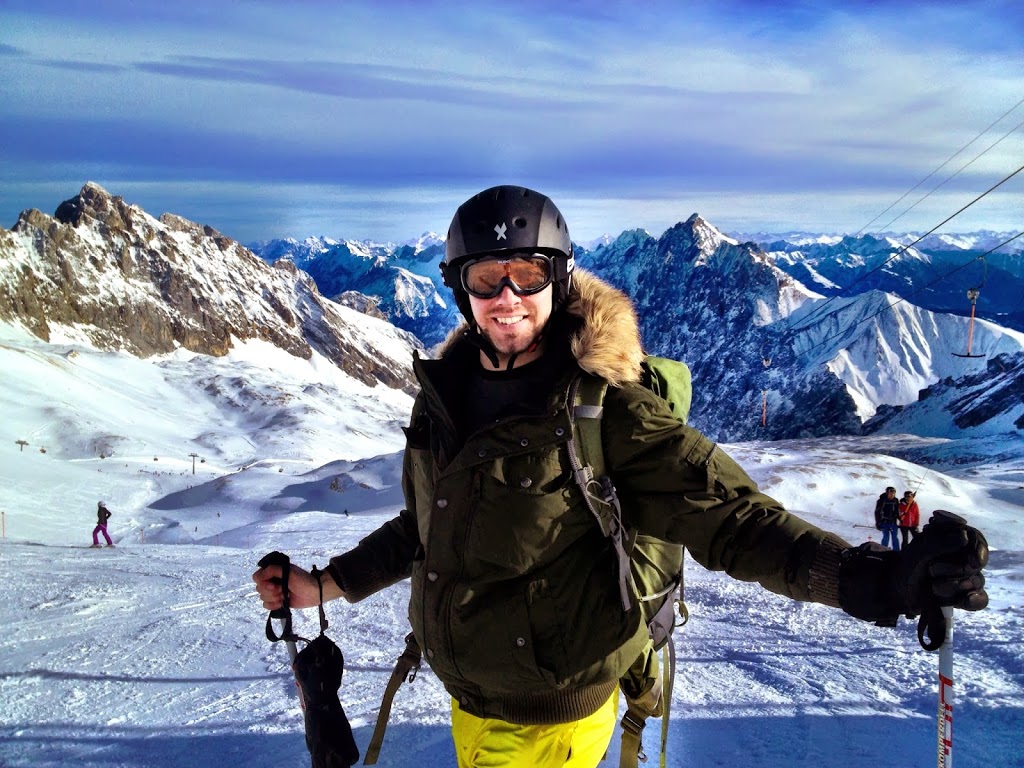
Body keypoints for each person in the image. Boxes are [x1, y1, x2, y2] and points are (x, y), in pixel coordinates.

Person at [253, 185, 989, 768]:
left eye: (527, 273)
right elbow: (428, 525)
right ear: (460, 289)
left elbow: (732, 518)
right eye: (487, 276)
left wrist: (872, 579)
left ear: (557, 279)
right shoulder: (443, 397)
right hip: (469, 698)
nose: (507, 294)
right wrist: (328, 584)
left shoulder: (602, 409)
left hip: (553, 714)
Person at [874, 486, 902, 551]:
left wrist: (900, 519)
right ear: (887, 493)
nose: (892, 494)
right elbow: (877, 513)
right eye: (891, 493)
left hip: (893, 522)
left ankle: (896, 552)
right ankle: (883, 551)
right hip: (884, 522)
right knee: (886, 537)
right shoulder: (881, 501)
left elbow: (897, 511)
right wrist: (877, 523)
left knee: (895, 538)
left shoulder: (895, 500)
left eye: (894, 493)